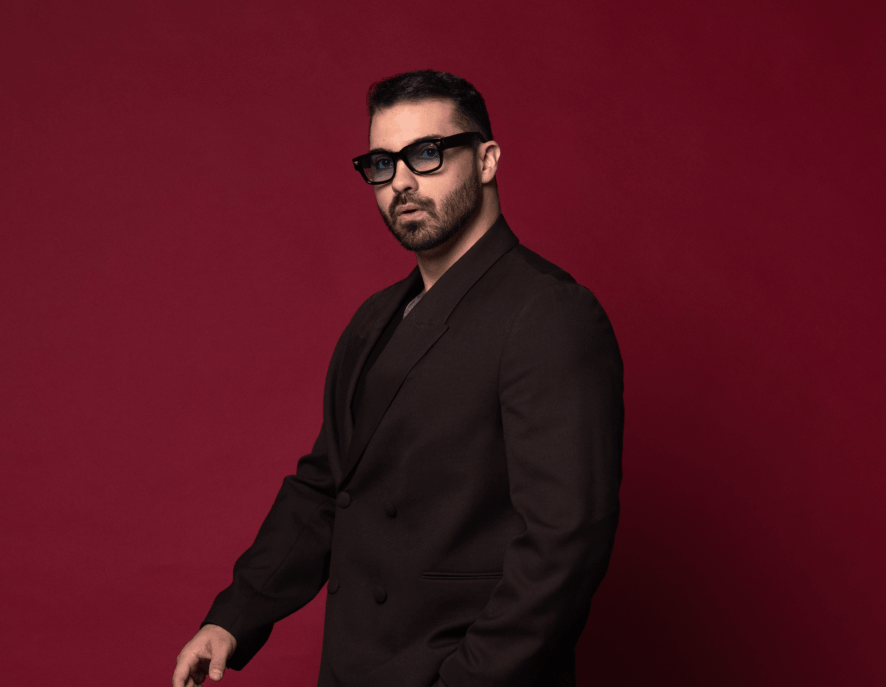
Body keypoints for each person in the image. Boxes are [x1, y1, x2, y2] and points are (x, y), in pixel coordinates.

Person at [173, 69, 624, 687]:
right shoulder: (374, 319)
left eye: (427, 153)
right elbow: (325, 487)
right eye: (383, 163)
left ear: (487, 160)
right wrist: (233, 618)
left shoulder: (549, 313)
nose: (402, 182)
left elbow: (563, 545)